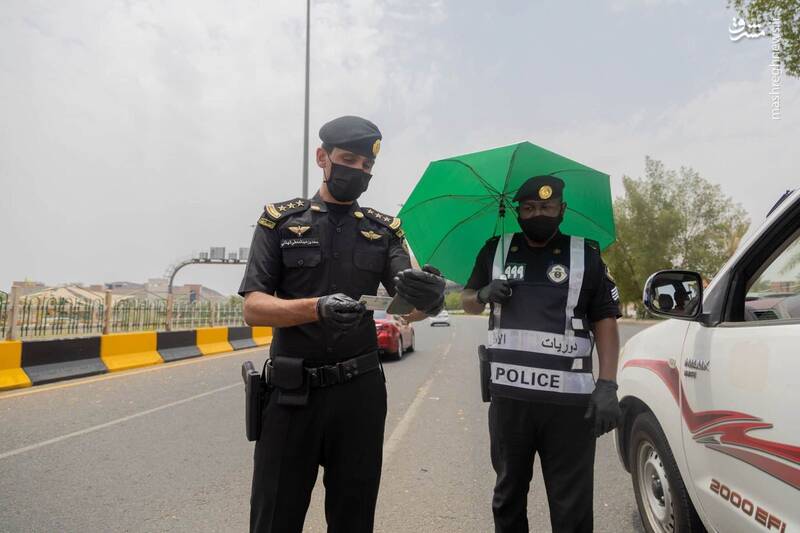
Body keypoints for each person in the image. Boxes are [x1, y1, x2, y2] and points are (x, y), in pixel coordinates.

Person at [238, 115, 446, 533]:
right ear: (322, 158)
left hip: (359, 397)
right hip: (291, 395)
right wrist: (316, 307)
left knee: (354, 520)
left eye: (367, 166)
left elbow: (405, 307)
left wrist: (430, 298)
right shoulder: (279, 222)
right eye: (349, 160)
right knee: (274, 518)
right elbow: (254, 308)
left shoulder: (383, 231)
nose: (358, 171)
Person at [462, 175, 622, 533]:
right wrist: (483, 293)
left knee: (572, 507)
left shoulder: (585, 255)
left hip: (570, 407)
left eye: (547, 207)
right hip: (510, 402)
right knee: (508, 498)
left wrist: (608, 384)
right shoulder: (495, 250)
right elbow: (468, 300)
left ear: (562, 209)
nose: (538, 214)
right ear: (518, 211)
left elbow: (605, 319)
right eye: (530, 208)